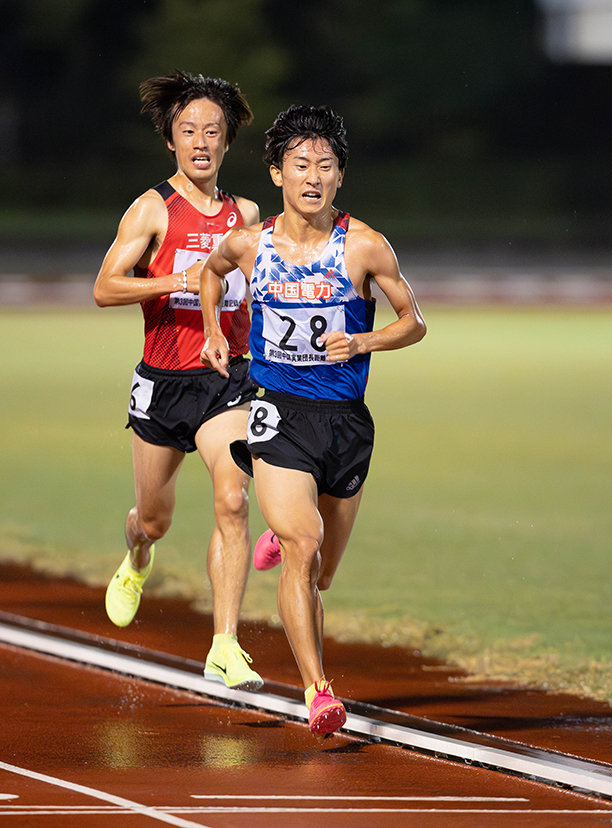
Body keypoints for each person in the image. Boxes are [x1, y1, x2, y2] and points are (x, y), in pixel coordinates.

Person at [199, 104, 426, 734]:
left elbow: (415, 322)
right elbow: (211, 275)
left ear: (340, 177)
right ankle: (318, 691)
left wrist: (364, 342)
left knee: (321, 571)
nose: (313, 177)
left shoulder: (365, 246)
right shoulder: (251, 244)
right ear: (276, 173)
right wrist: (215, 333)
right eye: (301, 165)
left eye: (326, 166)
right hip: (278, 414)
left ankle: (285, 531)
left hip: (346, 423)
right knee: (305, 545)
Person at [93, 70, 263, 691]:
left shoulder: (246, 215)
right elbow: (104, 287)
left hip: (226, 381)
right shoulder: (151, 209)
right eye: (188, 130)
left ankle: (224, 643)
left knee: (232, 501)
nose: (200, 141)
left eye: (212, 132)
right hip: (164, 385)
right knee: (156, 518)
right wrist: (173, 280)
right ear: (170, 139)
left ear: (226, 143)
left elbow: (261, 293)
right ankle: (138, 555)